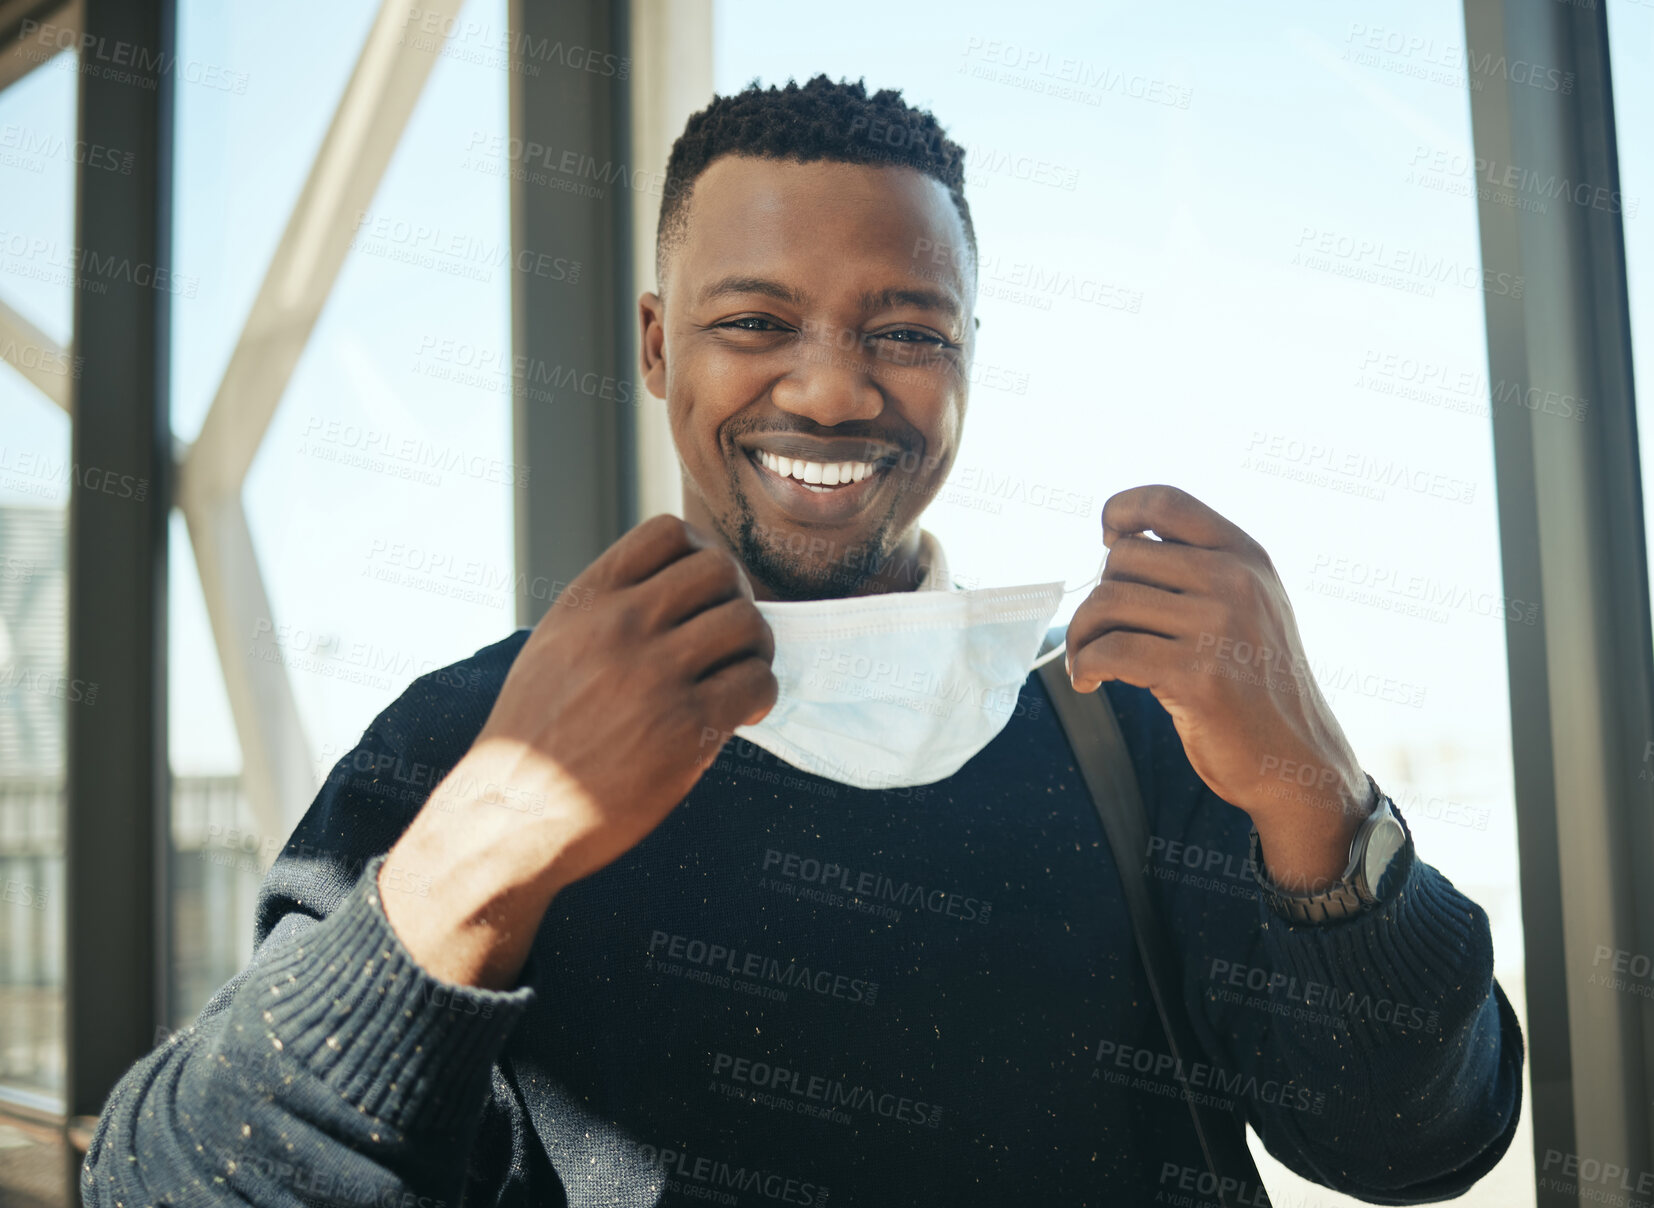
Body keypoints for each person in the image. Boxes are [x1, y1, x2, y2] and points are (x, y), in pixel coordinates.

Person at [83, 75, 1523, 1207]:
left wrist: (1316, 795)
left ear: (967, 355)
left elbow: (1415, 1146)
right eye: (757, 319)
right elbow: (167, 1186)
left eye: (906, 332)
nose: (833, 393)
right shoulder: (471, 735)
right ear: (655, 345)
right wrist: (487, 840)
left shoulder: (1139, 725)